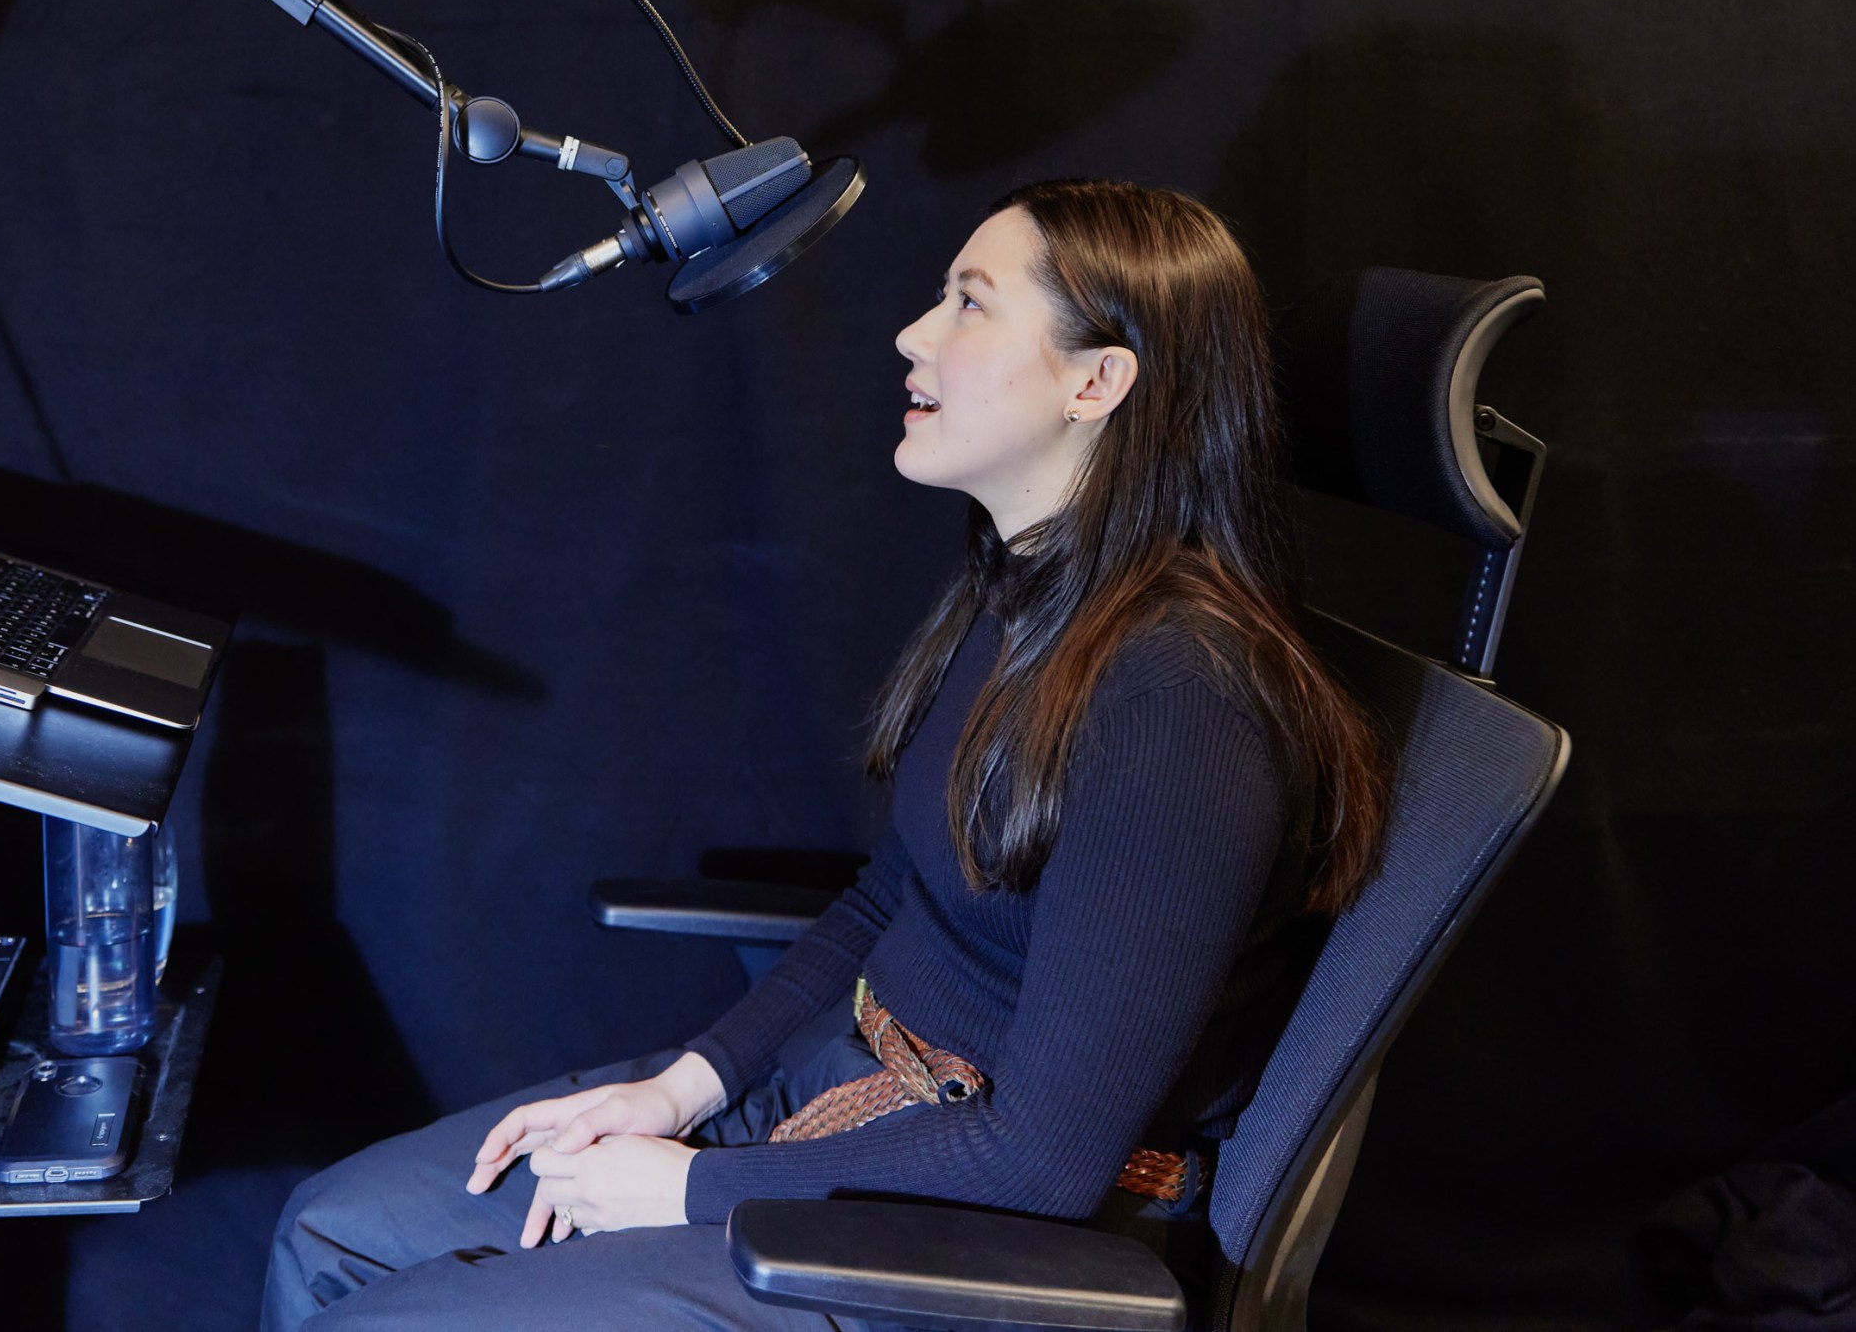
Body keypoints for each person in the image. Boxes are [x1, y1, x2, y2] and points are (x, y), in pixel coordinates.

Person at [261, 179, 1388, 1330]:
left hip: (967, 1224)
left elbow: (1042, 1161)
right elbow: (885, 900)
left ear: (1096, 381)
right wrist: (681, 1088)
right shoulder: (1027, 594)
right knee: (330, 1232)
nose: (911, 333)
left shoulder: (1178, 701)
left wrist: (689, 1187)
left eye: (967, 304)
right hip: (837, 1090)